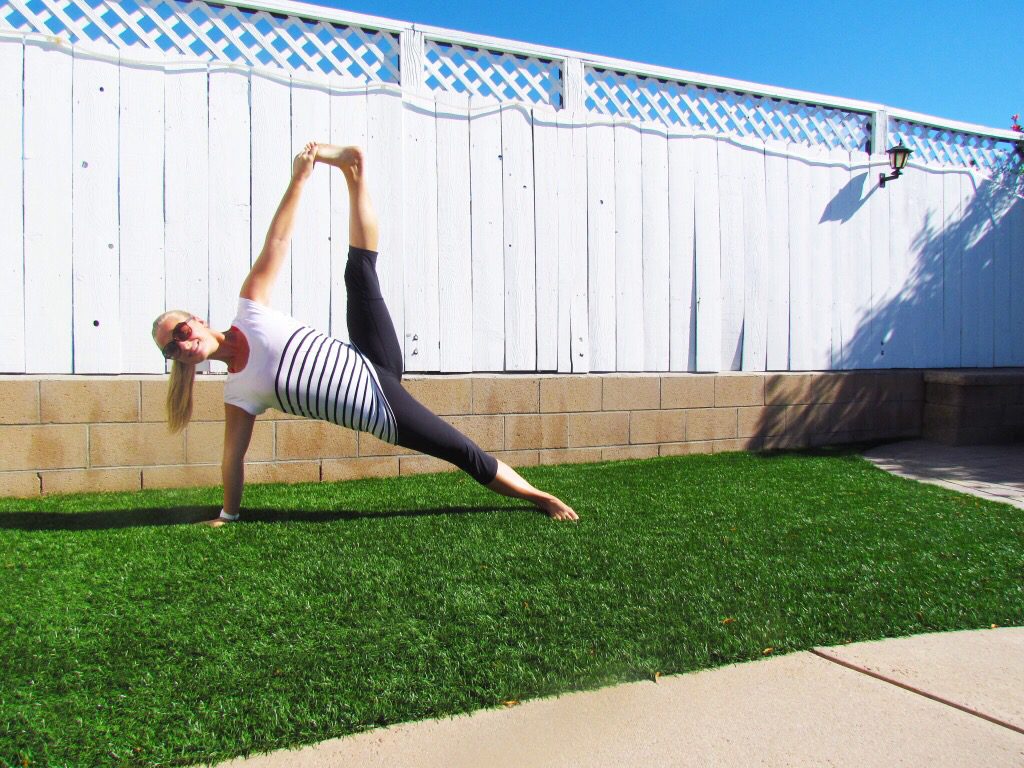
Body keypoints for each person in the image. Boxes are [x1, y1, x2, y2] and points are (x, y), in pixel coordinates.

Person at [152, 142, 578, 525]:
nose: (183, 344)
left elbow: (277, 241)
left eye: (182, 331)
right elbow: (233, 457)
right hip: (381, 406)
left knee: (359, 272)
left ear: (198, 320)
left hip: (369, 354)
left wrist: (300, 177)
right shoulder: (238, 394)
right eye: (172, 349)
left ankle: (353, 171)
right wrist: (228, 514)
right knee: (461, 451)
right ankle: (539, 496)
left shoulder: (249, 308)